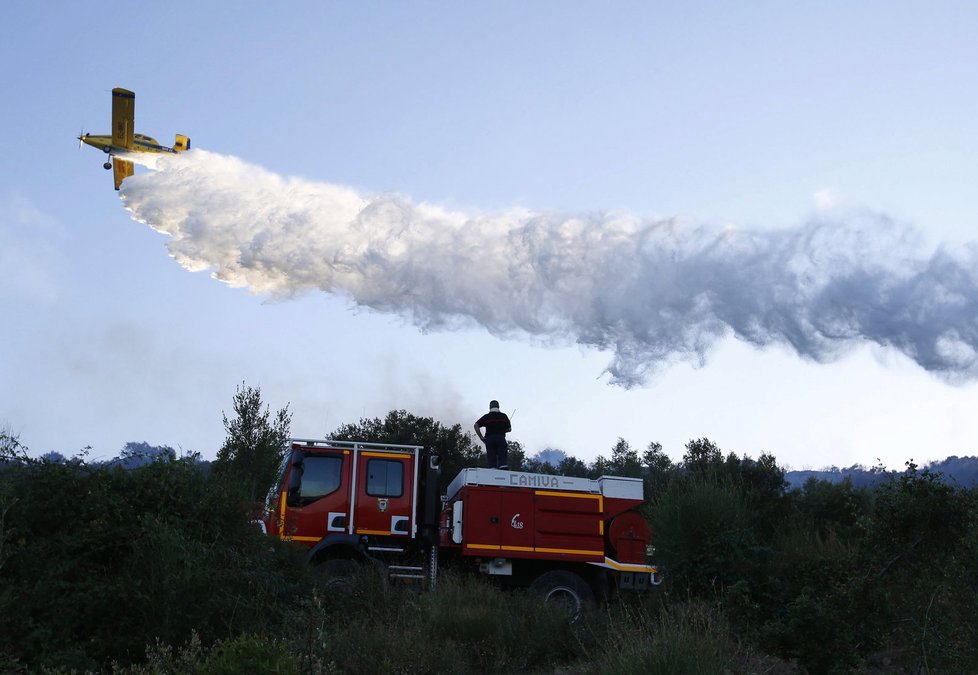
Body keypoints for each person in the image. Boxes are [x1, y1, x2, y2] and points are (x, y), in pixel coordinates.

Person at [474, 400, 512, 469]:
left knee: (492, 463)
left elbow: (476, 425)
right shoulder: (503, 416)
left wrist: (481, 437)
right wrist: (503, 430)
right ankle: (503, 468)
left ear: (490, 407)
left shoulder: (486, 416)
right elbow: (509, 429)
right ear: (498, 406)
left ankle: (492, 470)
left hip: (489, 439)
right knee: (503, 462)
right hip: (500, 438)